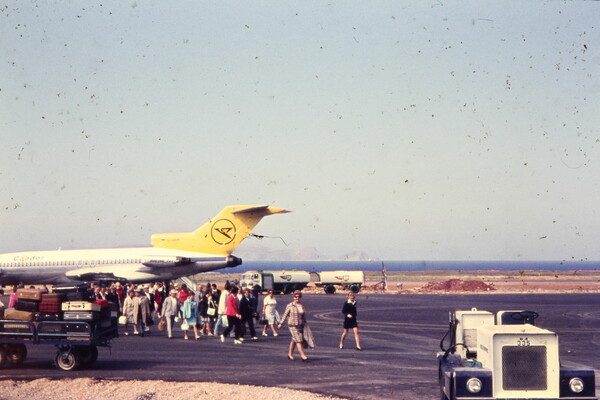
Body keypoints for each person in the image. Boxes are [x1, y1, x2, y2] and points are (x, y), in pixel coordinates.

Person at [278, 290, 313, 361]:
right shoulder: (290, 305)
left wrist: (305, 324)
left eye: (299, 296)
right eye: (295, 296)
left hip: (300, 325)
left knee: (294, 339)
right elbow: (285, 314)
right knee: (298, 340)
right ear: (293, 297)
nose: (297, 298)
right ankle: (303, 356)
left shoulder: (301, 306)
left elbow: (303, 316)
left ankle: (290, 354)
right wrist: (281, 323)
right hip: (292, 325)